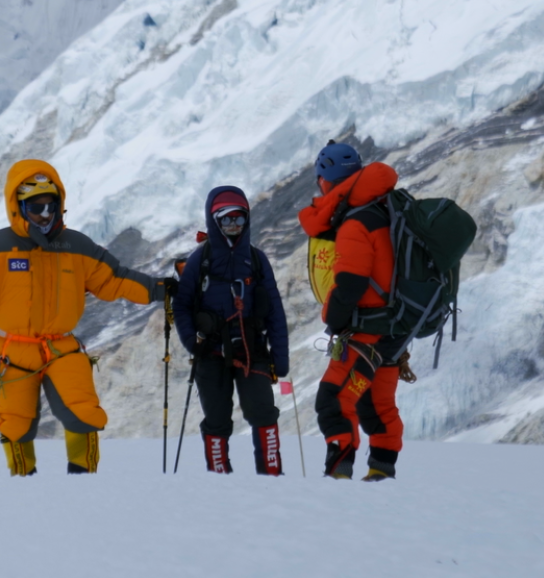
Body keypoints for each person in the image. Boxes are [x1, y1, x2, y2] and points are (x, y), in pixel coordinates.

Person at [0, 160, 163, 476]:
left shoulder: (76, 246)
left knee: (83, 413)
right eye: (34, 207)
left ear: (58, 204)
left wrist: (159, 289)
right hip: (11, 350)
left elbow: (115, 279)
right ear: (18, 206)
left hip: (61, 347)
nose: (43, 214)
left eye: (49, 206)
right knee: (16, 422)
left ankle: (82, 484)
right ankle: (24, 484)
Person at [298, 140, 405, 481]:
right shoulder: (386, 210)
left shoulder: (355, 223)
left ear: (325, 181)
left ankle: (339, 474)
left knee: (333, 399)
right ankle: (382, 472)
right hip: (392, 335)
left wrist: (333, 319)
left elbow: (351, 284)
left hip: (366, 333)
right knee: (376, 403)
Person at [174, 186, 288, 474]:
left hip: (252, 350)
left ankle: (271, 476)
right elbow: (182, 305)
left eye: (239, 218)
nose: (234, 225)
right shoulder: (200, 260)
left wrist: (280, 356)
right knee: (217, 418)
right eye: (226, 220)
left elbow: (275, 310)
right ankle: (220, 480)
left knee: (262, 411)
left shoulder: (257, 260)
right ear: (215, 221)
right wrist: (192, 342)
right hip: (210, 351)